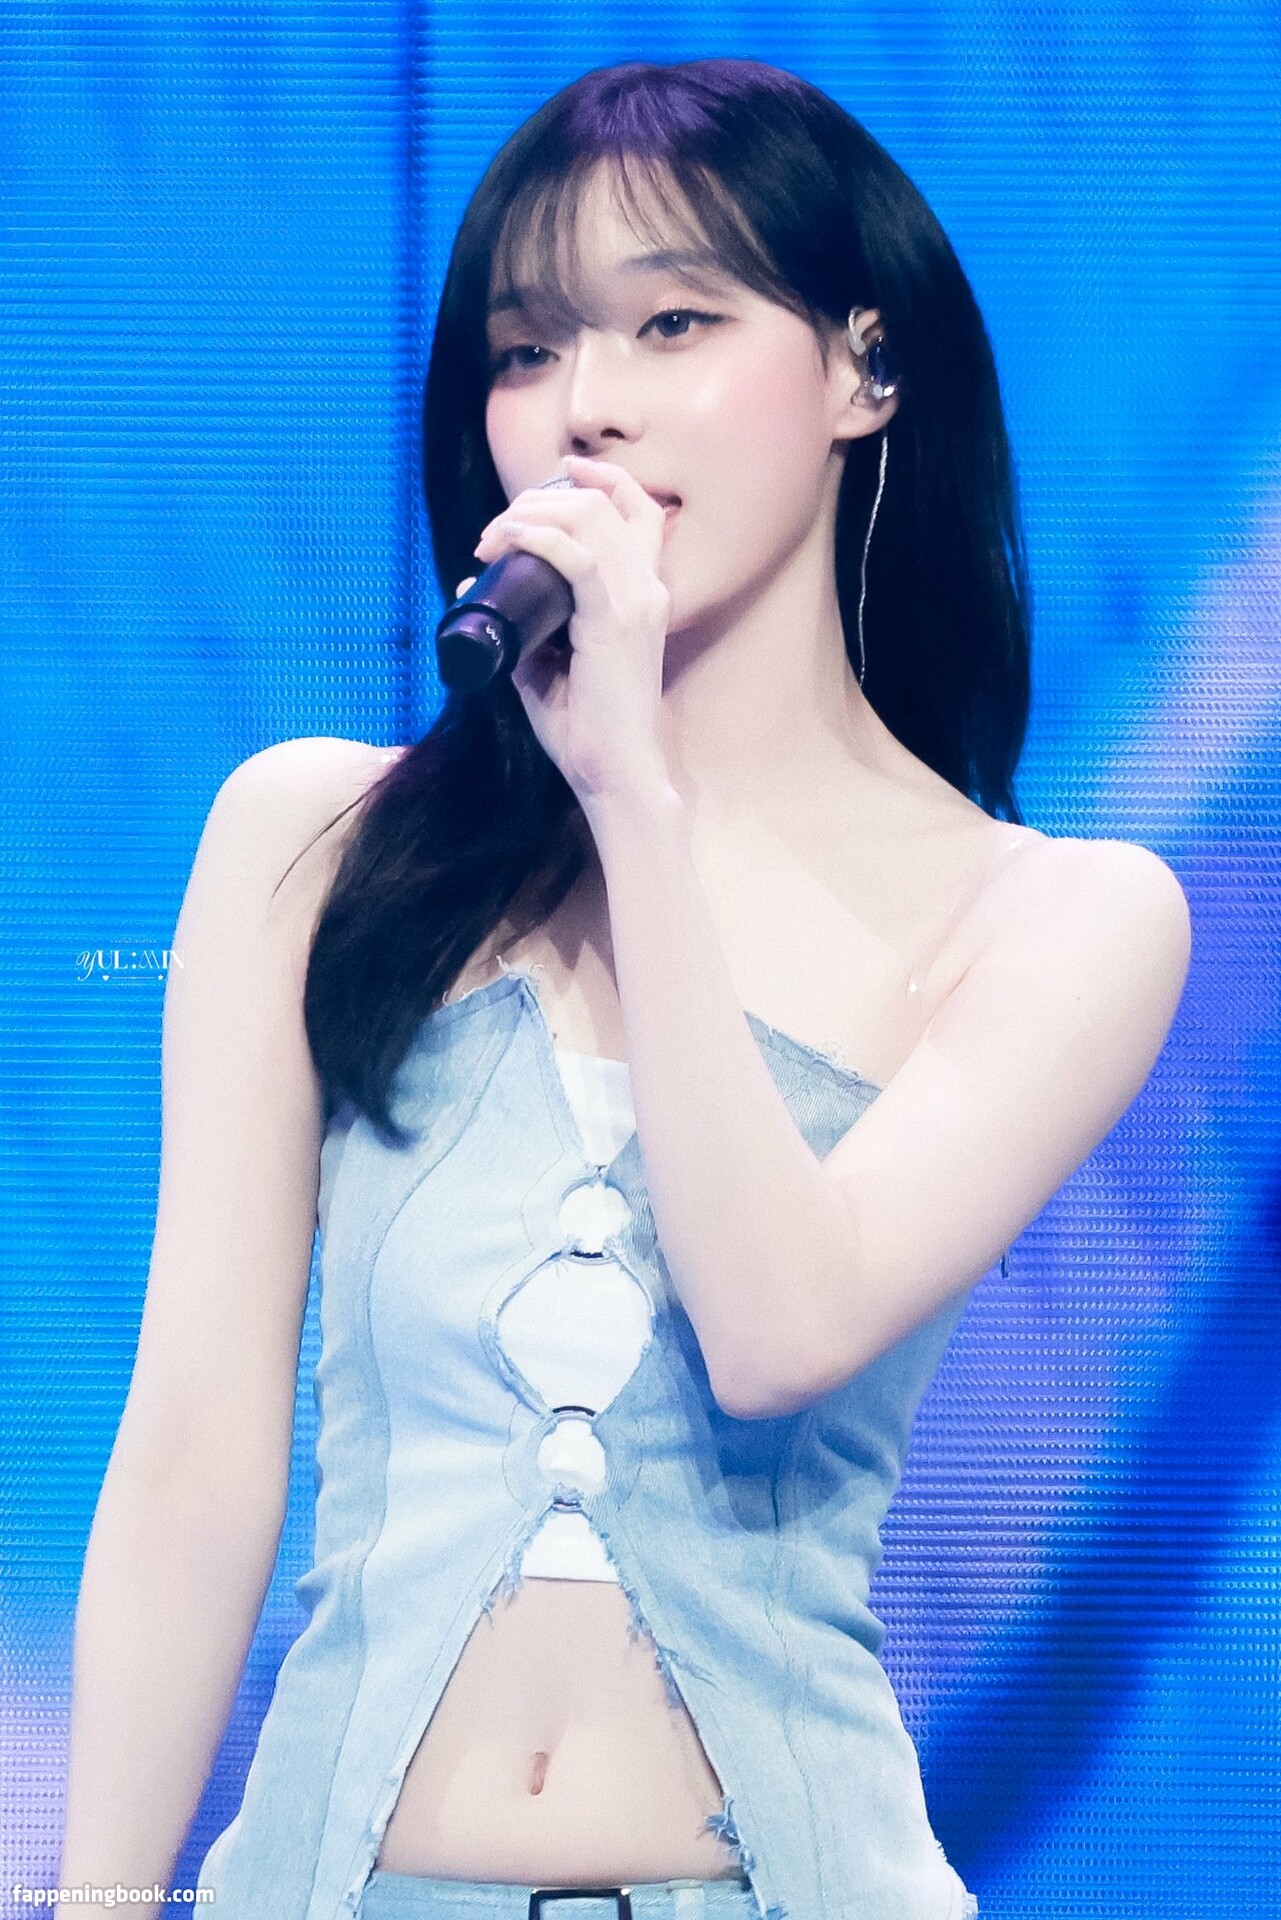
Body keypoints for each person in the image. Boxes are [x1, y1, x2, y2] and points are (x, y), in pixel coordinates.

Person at [60, 56, 1192, 1920]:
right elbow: (192, 1456)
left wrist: (634, 810)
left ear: (864, 367)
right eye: (525, 350)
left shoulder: (1062, 918)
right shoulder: (315, 843)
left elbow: (776, 1330)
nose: (587, 406)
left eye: (673, 323)